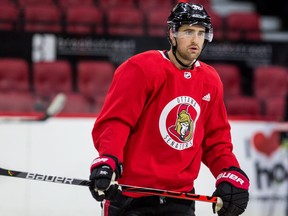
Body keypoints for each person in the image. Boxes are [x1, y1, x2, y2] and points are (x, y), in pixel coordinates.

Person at [89, 2, 250, 216]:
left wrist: (229, 172)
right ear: (172, 34)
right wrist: (108, 159)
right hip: (131, 198)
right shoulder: (141, 68)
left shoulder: (210, 80)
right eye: (188, 31)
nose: (195, 40)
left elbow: (216, 139)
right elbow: (117, 121)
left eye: (201, 33)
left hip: (181, 199)